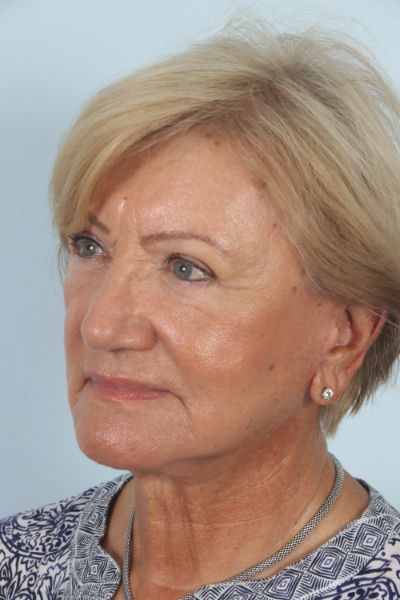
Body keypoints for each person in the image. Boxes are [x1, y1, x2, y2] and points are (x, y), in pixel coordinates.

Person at [1, 20, 400, 600]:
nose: (100, 325)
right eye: (91, 247)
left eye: (186, 267)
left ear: (344, 339)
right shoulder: (15, 558)